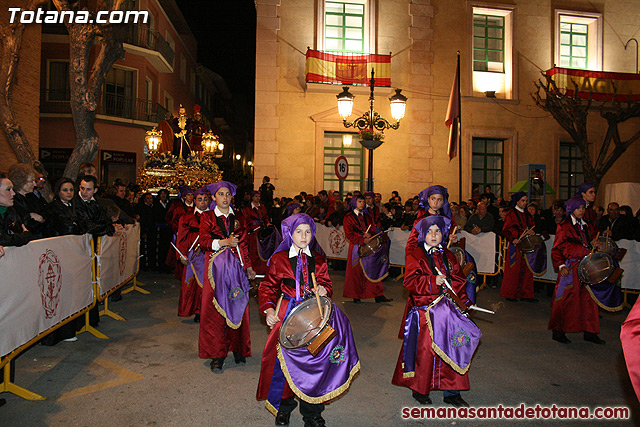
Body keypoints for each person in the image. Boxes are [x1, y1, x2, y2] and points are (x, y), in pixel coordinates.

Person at [257, 213, 360, 427]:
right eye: (299, 232)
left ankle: (312, 412)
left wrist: (324, 289)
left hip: (315, 314)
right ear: (289, 234)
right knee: (283, 363)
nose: (304, 236)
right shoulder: (279, 259)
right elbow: (267, 287)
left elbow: (327, 285)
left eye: (308, 232)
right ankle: (283, 407)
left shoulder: (319, 260)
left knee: (315, 362)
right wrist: (268, 310)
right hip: (288, 314)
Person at [392, 215, 477, 407]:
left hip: (448, 311)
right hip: (425, 311)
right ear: (423, 234)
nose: (433, 235)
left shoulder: (449, 256)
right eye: (429, 231)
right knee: (425, 352)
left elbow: (458, 282)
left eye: (437, 231)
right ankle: (420, 389)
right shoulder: (416, 255)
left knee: (452, 348)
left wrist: (463, 302)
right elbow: (409, 282)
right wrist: (431, 281)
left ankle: (452, 391)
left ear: (443, 234)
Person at [199, 181, 256, 372]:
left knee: (238, 305)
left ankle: (239, 348)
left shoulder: (238, 218)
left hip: (236, 271)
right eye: (221, 194)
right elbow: (204, 242)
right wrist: (225, 242)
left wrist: (248, 267)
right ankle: (217, 354)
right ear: (214, 197)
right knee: (215, 311)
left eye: (228, 194)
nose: (225, 198)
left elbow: (244, 245)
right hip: (215, 272)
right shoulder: (207, 217)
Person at [548, 197, 604, 345]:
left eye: (583, 208)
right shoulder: (564, 226)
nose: (581, 211)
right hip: (570, 267)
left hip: (586, 267)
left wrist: (595, 244)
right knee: (565, 299)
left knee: (589, 299)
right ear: (572, 209)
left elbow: (589, 242)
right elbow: (556, 249)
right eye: (578, 208)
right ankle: (558, 330)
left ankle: (590, 331)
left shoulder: (586, 226)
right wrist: (561, 266)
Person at [342, 194, 392, 303]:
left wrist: (370, 234)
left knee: (374, 268)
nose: (362, 203)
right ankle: (356, 295)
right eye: (360, 201)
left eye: (363, 202)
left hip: (368, 244)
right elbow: (349, 235)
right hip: (356, 246)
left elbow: (373, 228)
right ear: (354, 202)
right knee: (356, 272)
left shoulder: (367, 216)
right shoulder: (348, 217)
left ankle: (378, 295)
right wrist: (361, 240)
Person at [176, 188, 210, 323]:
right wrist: (181, 255)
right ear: (194, 201)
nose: (203, 202)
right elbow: (182, 237)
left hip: (208, 254)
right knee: (194, 285)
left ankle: (208, 310)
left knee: (209, 284)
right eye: (200, 199)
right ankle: (197, 311)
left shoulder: (213, 216)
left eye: (205, 199)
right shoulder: (186, 217)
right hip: (193, 255)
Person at [500, 192, 537, 302]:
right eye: (523, 200)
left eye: (526, 200)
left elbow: (532, 225)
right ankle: (511, 294)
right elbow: (505, 230)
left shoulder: (527, 214)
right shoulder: (511, 214)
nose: (525, 203)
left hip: (526, 244)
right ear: (517, 201)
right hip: (515, 245)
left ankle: (526, 294)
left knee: (527, 269)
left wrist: (531, 231)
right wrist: (513, 239)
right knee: (514, 270)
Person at [8, 163, 49, 239]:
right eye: (31, 181)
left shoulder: (32, 197)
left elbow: (47, 214)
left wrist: (41, 219)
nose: (34, 184)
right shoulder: (14, 200)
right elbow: (27, 223)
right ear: (21, 181)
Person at [242, 191, 273, 275]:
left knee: (264, 250)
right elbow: (245, 221)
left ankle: (263, 270)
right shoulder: (247, 208)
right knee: (254, 252)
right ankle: (253, 270)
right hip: (252, 233)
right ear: (252, 197)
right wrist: (249, 230)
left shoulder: (262, 207)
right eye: (256, 196)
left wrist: (267, 224)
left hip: (262, 232)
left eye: (259, 196)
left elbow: (266, 218)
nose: (257, 198)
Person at [0, 172, 33, 247]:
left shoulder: (11, 211)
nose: (13, 193)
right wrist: (20, 238)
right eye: (8, 189)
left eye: (13, 189)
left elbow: (24, 233)